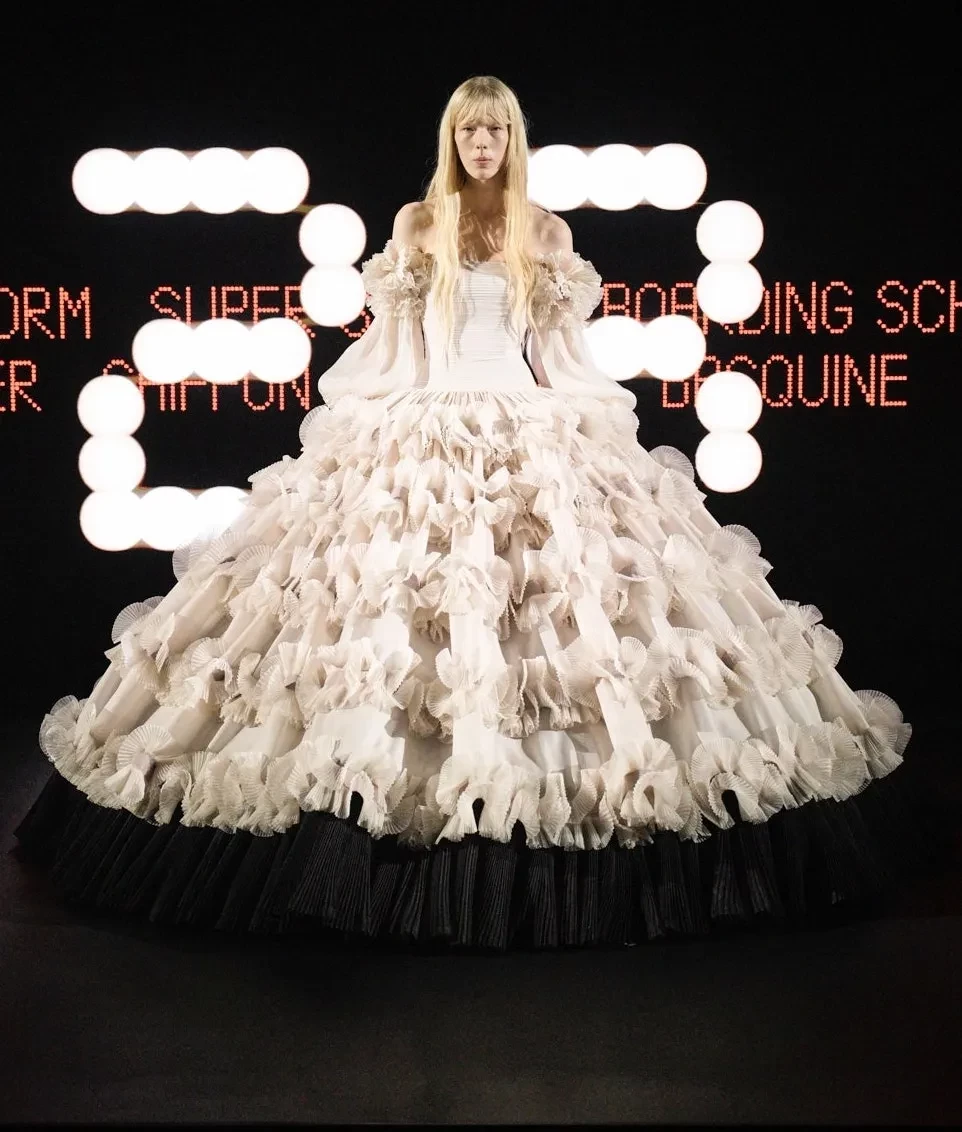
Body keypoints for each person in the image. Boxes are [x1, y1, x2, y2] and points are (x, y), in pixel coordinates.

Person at [14, 75, 934, 950]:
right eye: (468, 129)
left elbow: (563, 357)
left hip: (528, 416)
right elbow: (396, 348)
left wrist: (588, 427)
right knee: (389, 617)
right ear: (451, 139)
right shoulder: (419, 224)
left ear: (513, 138)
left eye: (495, 129)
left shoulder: (546, 231)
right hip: (427, 418)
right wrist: (371, 425)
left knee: (558, 612)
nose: (482, 142)